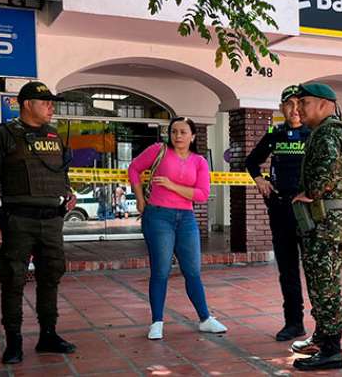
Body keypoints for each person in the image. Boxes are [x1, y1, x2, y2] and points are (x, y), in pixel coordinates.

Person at [0, 81, 77, 364]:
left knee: (51, 277)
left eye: (51, 103)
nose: (50, 107)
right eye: (44, 102)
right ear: (26, 105)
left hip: (51, 221)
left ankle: (48, 335)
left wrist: (68, 193)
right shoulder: (5, 135)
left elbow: (60, 172)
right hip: (17, 220)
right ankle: (14, 342)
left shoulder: (54, 136)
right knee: (13, 279)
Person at [290, 82, 342, 371]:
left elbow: (329, 170)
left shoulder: (327, 133)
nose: (299, 110)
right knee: (323, 281)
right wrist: (338, 197)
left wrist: (314, 194)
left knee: (325, 286)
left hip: (323, 222)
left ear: (324, 104)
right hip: (332, 220)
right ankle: (323, 338)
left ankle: (332, 350)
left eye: (305, 103)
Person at [128, 116, 227, 339]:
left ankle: (205, 319)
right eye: (173, 132)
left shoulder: (199, 161)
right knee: (161, 270)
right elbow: (134, 168)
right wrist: (140, 199)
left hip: (186, 219)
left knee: (193, 271)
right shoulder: (158, 150)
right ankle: (157, 322)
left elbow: (201, 195)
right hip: (158, 216)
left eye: (183, 132)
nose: (177, 136)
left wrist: (172, 185)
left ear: (192, 136)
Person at [244, 85, 310, 342]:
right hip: (281, 209)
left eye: (298, 104)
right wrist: (259, 179)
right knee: (288, 269)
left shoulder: (314, 133)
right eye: (288, 104)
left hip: (308, 210)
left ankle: (324, 327)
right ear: (281, 108)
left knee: (315, 269)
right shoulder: (275, 132)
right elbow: (251, 161)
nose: (294, 110)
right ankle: (294, 323)